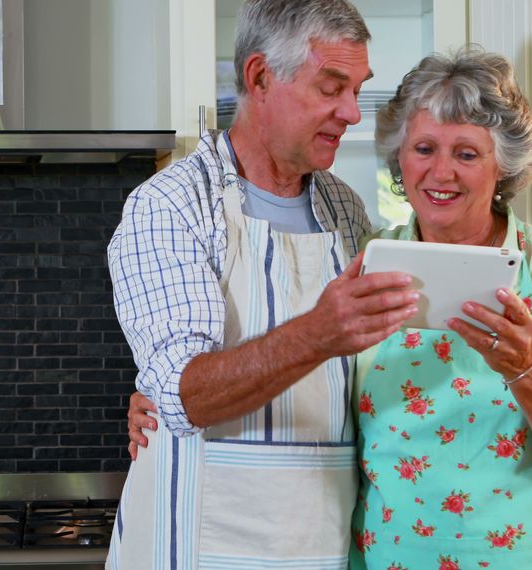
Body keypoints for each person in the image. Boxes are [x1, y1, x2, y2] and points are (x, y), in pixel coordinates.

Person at [128, 47, 532, 568]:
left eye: (466, 153)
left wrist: (528, 369)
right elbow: (285, 340)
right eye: (423, 148)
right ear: (399, 157)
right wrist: (161, 392)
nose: (441, 173)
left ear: (502, 165)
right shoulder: (360, 257)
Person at [104, 1, 421, 568]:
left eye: (357, 89)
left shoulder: (345, 211)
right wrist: (319, 333)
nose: (352, 112)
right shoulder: (171, 205)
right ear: (260, 77)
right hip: (196, 545)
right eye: (331, 87)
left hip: (319, 544)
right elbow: (181, 396)